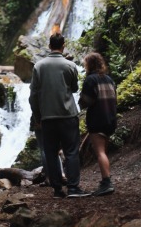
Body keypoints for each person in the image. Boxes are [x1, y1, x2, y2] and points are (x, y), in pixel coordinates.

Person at [29, 32, 90, 198]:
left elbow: (33, 95)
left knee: (50, 152)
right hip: (68, 115)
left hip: (47, 118)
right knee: (71, 151)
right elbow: (75, 89)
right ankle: (73, 188)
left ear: (49, 46)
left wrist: (37, 116)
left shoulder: (39, 67)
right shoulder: (70, 66)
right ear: (63, 46)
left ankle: (57, 190)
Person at [79, 52, 117, 196]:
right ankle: (105, 180)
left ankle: (106, 182)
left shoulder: (90, 80)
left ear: (89, 64)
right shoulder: (109, 79)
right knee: (104, 152)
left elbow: (86, 102)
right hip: (110, 118)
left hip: (97, 119)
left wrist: (80, 101)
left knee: (100, 152)